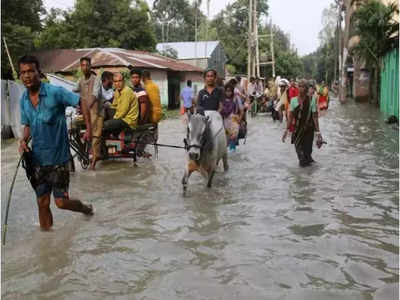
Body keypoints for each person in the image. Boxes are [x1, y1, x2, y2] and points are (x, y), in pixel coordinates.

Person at [18, 55, 94, 230]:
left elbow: (80, 101)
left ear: (39, 73)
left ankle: (85, 208)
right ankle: (47, 242)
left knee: (61, 202)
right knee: (42, 202)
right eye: (23, 72)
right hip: (37, 160)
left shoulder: (55, 92)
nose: (27, 76)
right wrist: (23, 140)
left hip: (59, 158)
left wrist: (88, 128)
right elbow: (28, 125)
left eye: (31, 71)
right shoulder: (23, 99)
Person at [282, 79, 323, 167]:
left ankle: (308, 177)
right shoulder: (293, 100)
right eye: (299, 86)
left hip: (308, 130)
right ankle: (302, 177)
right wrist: (286, 130)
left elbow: (315, 117)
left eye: (303, 86)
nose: (301, 88)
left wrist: (318, 133)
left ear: (306, 88)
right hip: (297, 131)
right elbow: (290, 117)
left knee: (307, 154)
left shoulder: (312, 100)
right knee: (301, 156)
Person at [74, 57, 102, 171]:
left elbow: (95, 95)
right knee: (73, 127)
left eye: (87, 65)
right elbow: (73, 90)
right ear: (81, 67)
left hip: (96, 111)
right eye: (83, 65)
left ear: (90, 66)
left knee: (95, 136)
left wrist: (84, 106)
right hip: (85, 112)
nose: (85, 67)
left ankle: (94, 161)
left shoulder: (96, 80)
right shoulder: (80, 80)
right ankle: (82, 150)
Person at [89, 71, 114, 170]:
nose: (112, 82)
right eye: (111, 80)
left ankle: (94, 160)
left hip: (101, 115)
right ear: (105, 80)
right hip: (92, 113)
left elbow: (108, 101)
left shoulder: (110, 91)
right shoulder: (96, 89)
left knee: (97, 136)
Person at [103, 72, 138, 137]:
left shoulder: (126, 91)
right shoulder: (117, 91)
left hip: (128, 120)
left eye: (120, 81)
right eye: (115, 81)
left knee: (105, 125)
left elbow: (123, 111)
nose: (117, 83)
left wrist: (112, 120)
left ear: (123, 81)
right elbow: (114, 106)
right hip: (121, 118)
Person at [221, 84, 244, 152]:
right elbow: (221, 111)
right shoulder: (222, 101)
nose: (228, 93)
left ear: (232, 92)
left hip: (233, 121)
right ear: (224, 92)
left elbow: (240, 110)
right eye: (227, 91)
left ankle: (232, 152)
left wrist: (239, 119)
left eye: (230, 91)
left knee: (233, 138)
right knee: (227, 140)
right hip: (225, 122)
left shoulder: (234, 100)